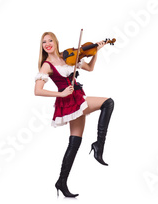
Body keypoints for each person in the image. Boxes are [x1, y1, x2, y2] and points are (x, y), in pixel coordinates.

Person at [34, 32, 115, 197]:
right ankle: (99, 145)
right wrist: (62, 94)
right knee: (108, 102)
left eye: (50, 40)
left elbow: (90, 68)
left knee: (75, 142)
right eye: (44, 42)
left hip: (78, 98)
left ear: (56, 42)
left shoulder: (67, 57)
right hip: (71, 101)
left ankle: (61, 182)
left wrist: (95, 52)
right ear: (42, 46)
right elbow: (37, 90)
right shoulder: (47, 65)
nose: (47, 44)